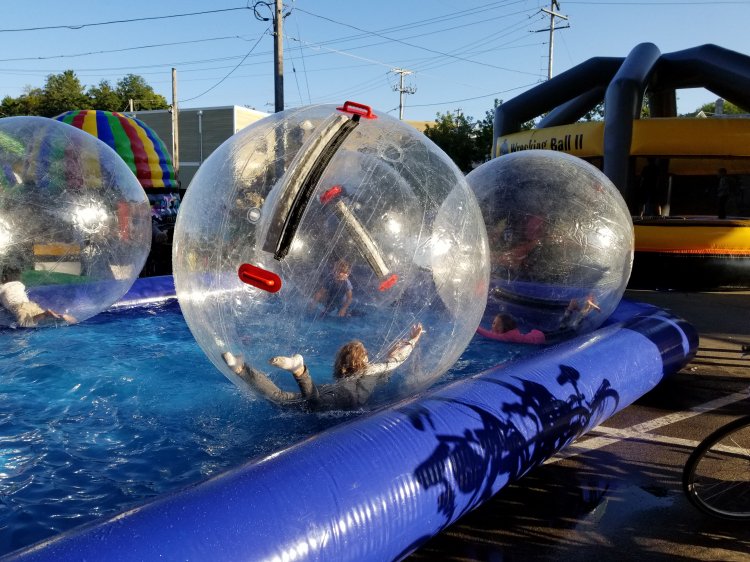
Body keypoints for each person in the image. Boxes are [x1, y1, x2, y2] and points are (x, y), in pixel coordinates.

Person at [222, 323, 424, 411]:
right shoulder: (369, 370)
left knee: (281, 398)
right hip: (346, 399)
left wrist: (391, 354)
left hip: (331, 391)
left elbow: (388, 365)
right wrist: (412, 341)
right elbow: (398, 360)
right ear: (362, 361)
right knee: (314, 404)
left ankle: (240, 368)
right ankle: (299, 370)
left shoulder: (345, 375)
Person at [0, 267, 76, 328]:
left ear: (3, 278)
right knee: (44, 319)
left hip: (19, 307)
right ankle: (62, 316)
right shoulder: (19, 284)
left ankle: (46, 314)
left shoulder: (2, 287)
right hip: (30, 304)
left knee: (25, 323)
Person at [477, 313, 546, 344]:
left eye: (498, 325)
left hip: (539, 338)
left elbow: (489, 335)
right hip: (535, 334)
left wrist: (476, 328)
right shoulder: (509, 332)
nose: (494, 326)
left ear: (506, 327)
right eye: (494, 323)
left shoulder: (508, 336)